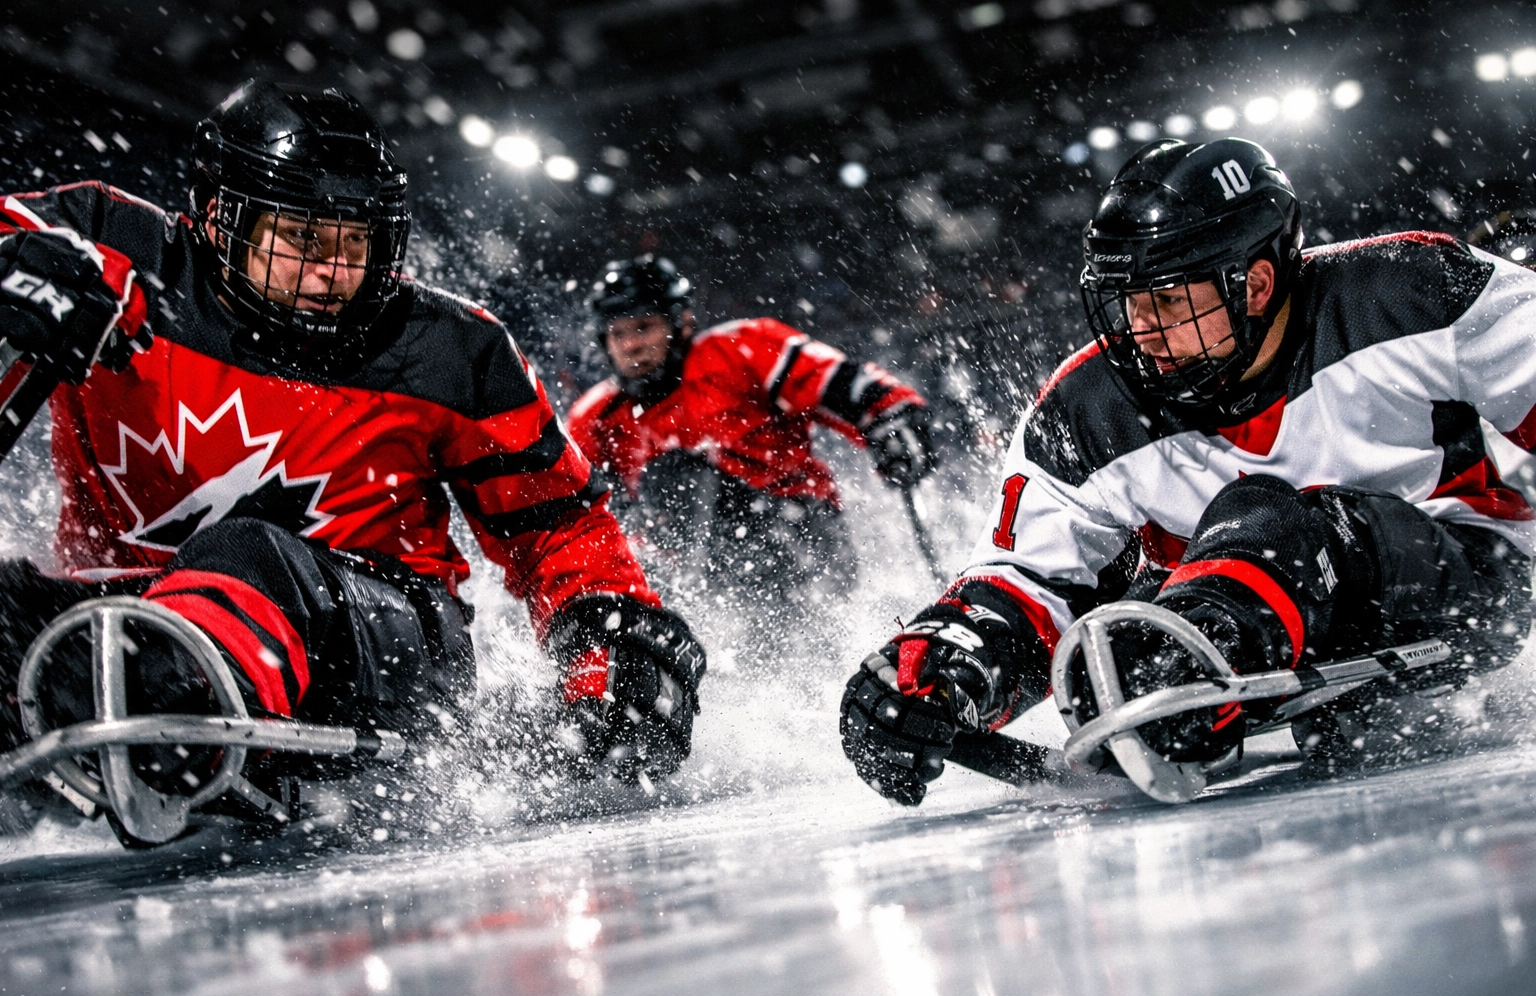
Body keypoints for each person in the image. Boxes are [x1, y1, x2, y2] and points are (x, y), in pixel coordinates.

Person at [0, 80, 705, 821]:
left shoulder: (453, 350)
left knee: (251, 554)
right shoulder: (109, 245)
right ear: (217, 217)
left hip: (378, 644)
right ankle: (130, 685)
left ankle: (171, 694)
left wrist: (605, 636)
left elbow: (558, 529)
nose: (331, 273)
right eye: (302, 238)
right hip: (111, 626)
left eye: (354, 242)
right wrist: (22, 268)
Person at [840, 137, 1536, 805]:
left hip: (1465, 583)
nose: (1140, 330)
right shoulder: (1083, 409)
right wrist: (939, 669)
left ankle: (1205, 654)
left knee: (1268, 518)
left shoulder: (1411, 289)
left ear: (1256, 283)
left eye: (1166, 301)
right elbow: (1030, 581)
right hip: (1241, 612)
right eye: (1127, 304)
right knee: (1108, 644)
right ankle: (1197, 655)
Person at [566, 254, 935, 600]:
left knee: (676, 477)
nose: (630, 345)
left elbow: (840, 381)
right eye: (617, 334)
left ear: (681, 322)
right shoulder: (593, 419)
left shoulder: (739, 349)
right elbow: (583, 524)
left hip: (802, 530)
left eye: (644, 327)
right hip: (695, 574)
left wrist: (894, 420)